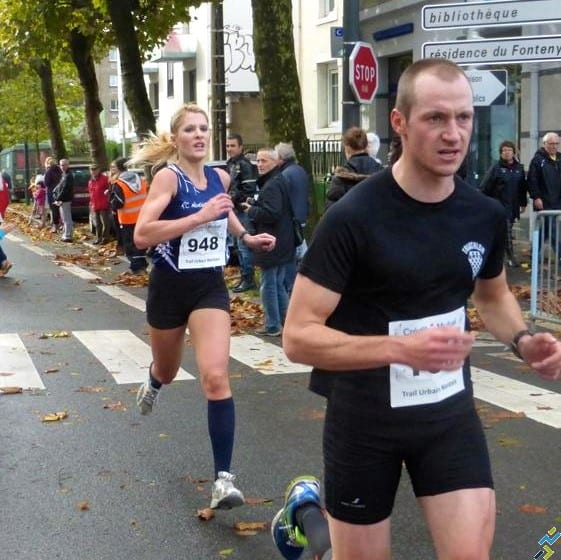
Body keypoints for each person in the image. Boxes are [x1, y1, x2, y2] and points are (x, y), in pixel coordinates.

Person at [282, 58, 561, 560]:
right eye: (435, 118)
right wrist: (399, 348)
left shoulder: (483, 214)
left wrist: (523, 340)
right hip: (364, 420)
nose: (453, 133)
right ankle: (307, 517)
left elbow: (492, 294)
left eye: (463, 117)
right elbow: (298, 337)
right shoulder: (352, 218)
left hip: (447, 416)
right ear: (400, 123)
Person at [130, 103, 275, 510]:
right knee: (170, 368)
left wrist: (247, 238)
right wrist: (197, 217)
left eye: (203, 129)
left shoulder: (219, 176)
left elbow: (223, 213)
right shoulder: (167, 180)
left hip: (209, 287)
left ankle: (223, 480)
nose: (198, 135)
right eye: (190, 129)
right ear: (175, 139)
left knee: (215, 376)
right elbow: (142, 234)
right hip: (169, 287)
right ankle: (155, 381)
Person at [242, 147, 295, 337]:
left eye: (264, 161)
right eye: (258, 160)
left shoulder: (272, 184)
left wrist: (251, 210)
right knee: (278, 284)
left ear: (276, 162)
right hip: (282, 238)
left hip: (271, 240)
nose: (260, 164)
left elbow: (272, 213)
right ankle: (286, 321)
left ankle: (273, 325)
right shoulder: (278, 180)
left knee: (269, 284)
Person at [479, 140, 528, 267]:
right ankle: (511, 257)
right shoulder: (496, 168)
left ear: (514, 152)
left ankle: (494, 256)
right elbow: (485, 187)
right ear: (500, 153)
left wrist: (523, 203)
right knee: (506, 233)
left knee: (503, 233)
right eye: (504, 150)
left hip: (513, 206)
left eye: (509, 150)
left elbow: (522, 187)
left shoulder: (519, 168)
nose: (506, 153)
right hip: (499, 205)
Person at [275, 141, 310, 292]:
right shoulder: (300, 170)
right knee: (300, 252)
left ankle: (292, 288)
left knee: (292, 256)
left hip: (292, 220)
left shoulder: (285, 175)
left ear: (281, 158)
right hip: (302, 216)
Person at [226, 133, 258, 292]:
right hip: (234, 210)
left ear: (240, 147)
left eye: (232, 146)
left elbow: (249, 190)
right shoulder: (231, 164)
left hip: (242, 210)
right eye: (227, 146)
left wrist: (233, 197)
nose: (229, 149)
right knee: (238, 246)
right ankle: (244, 277)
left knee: (244, 245)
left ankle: (249, 279)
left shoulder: (244, 165)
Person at [325, 127, 382, 210]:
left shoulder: (341, 178)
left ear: (347, 148)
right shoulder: (382, 173)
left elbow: (331, 212)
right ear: (365, 146)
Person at [110, 157, 149, 273]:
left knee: (130, 245)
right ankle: (142, 265)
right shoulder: (140, 180)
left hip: (127, 219)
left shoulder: (119, 184)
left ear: (118, 168)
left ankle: (136, 268)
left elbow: (118, 203)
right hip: (141, 216)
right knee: (140, 242)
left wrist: (111, 202)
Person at [527, 132, 561, 258]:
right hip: (544, 200)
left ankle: (534, 253)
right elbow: (532, 179)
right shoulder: (538, 160)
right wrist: (536, 197)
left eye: (557, 144)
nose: (554, 146)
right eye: (551, 144)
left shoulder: (559, 158)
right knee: (551, 229)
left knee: (545, 229)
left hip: (557, 200)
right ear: (545, 144)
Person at [88, 164, 111, 245]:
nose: (93, 171)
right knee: (97, 224)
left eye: (95, 169)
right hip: (95, 205)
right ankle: (98, 238)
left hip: (103, 204)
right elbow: (91, 193)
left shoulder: (104, 179)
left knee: (105, 222)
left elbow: (109, 189)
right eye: (92, 169)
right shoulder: (91, 181)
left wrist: (108, 199)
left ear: (98, 170)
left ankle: (105, 238)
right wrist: (91, 204)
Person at [53, 158, 74, 242]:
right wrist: (55, 191)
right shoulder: (64, 174)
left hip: (65, 199)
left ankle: (68, 235)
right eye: (61, 165)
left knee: (67, 218)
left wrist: (58, 198)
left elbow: (65, 188)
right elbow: (60, 186)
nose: (63, 166)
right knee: (64, 218)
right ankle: (65, 234)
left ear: (68, 165)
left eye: (64, 165)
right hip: (63, 199)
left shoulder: (68, 175)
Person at [44, 157, 62, 233]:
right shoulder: (59, 170)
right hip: (60, 191)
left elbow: (46, 183)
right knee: (60, 209)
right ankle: (61, 225)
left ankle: (55, 226)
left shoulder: (49, 171)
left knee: (54, 209)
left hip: (52, 192)